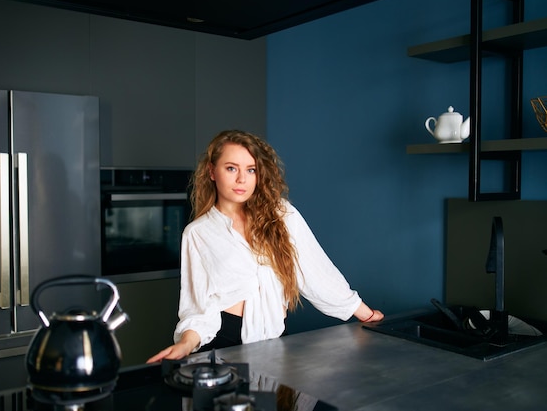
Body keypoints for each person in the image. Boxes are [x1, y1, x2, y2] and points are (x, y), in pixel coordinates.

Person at [147, 130, 383, 363]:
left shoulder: (282, 214)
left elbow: (316, 272)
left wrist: (365, 314)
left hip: (276, 337)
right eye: (231, 168)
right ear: (212, 171)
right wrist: (185, 344)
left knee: (279, 402)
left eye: (251, 170)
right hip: (224, 342)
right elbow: (197, 306)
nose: (242, 179)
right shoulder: (198, 234)